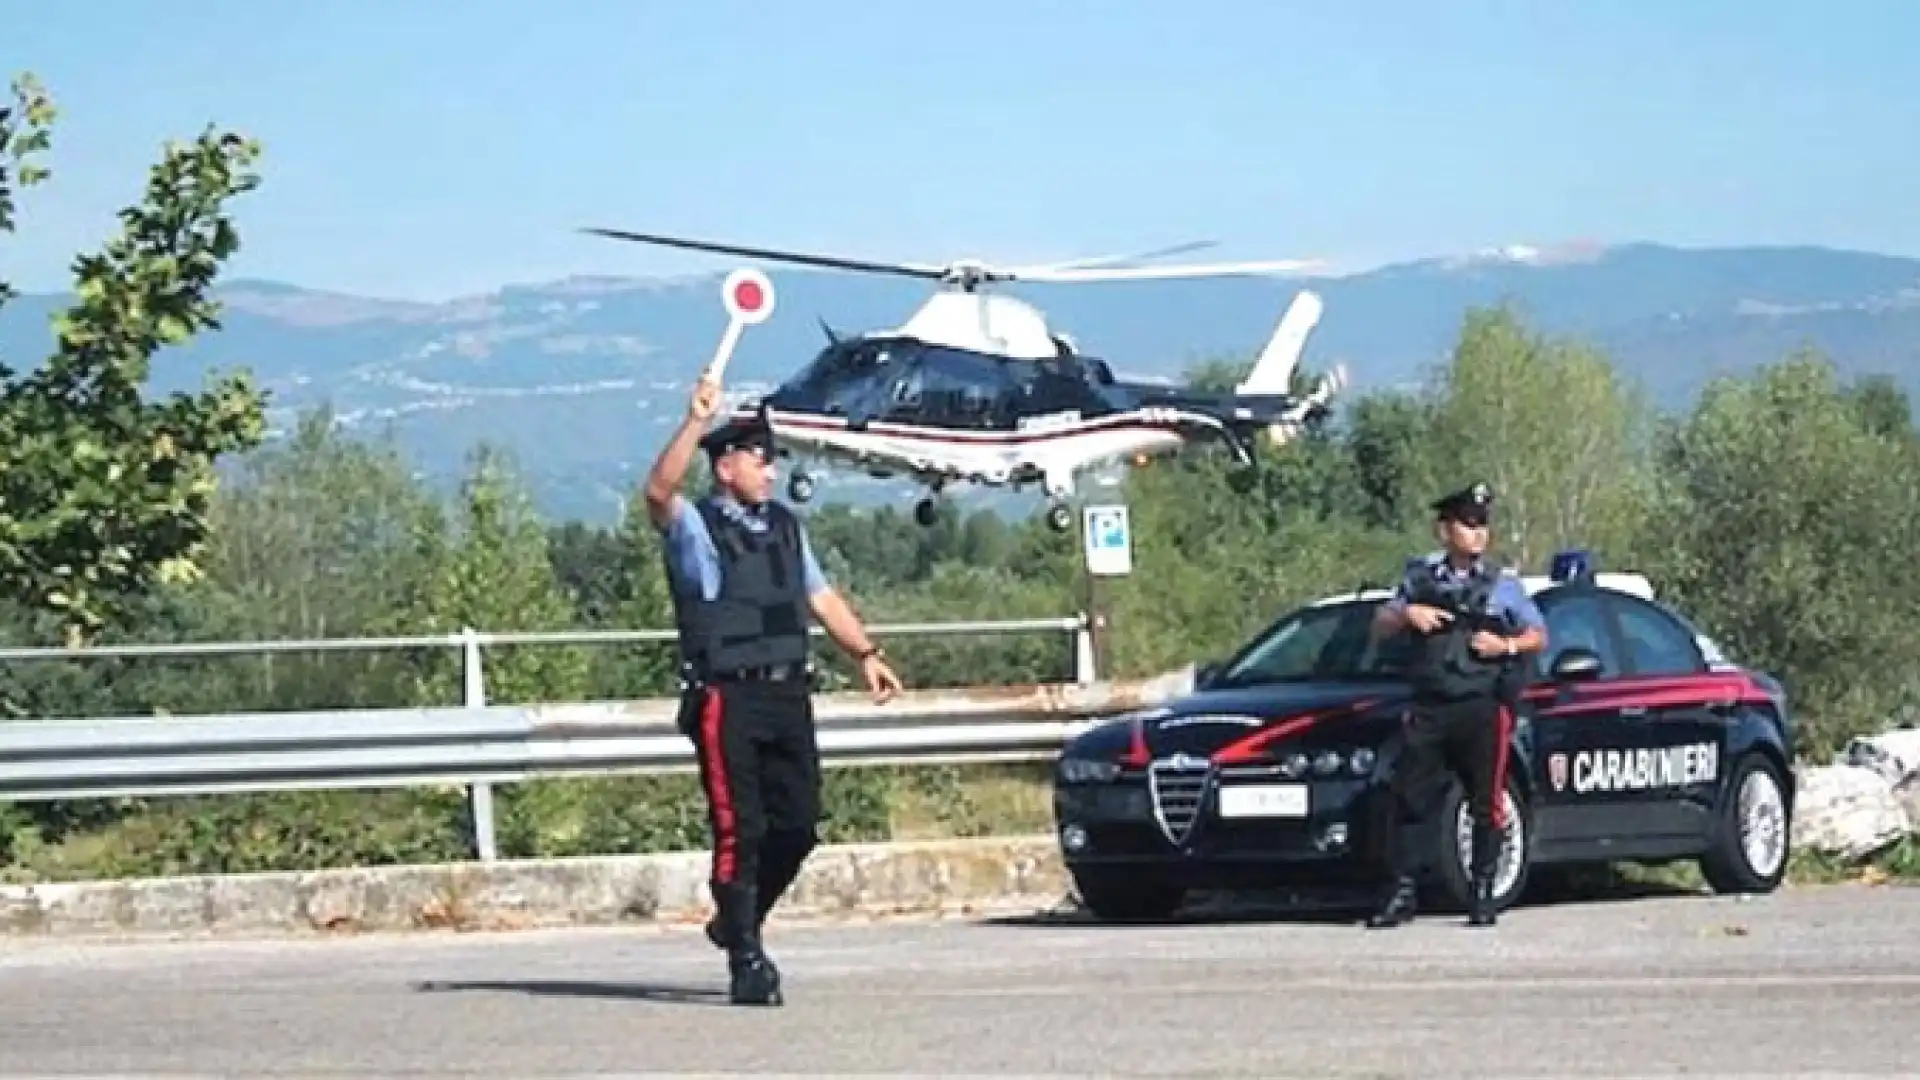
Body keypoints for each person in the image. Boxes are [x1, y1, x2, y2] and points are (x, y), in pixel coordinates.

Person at [644, 374, 904, 1006]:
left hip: (788, 695)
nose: (771, 468)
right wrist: (694, 421)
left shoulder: (787, 528)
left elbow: (820, 597)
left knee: (799, 827)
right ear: (726, 466)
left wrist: (865, 654)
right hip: (726, 699)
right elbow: (657, 492)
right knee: (742, 830)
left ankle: (736, 919)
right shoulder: (699, 531)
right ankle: (747, 959)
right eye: (759, 458)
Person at [1363, 481, 1546, 929]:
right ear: (1444, 530)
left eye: (1482, 524)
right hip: (1430, 706)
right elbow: (1379, 626)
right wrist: (1409, 615)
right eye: (1468, 524)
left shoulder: (1503, 586)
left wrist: (1503, 645)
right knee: (1405, 797)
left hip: (1481, 707)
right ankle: (1401, 894)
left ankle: (1482, 893)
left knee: (1487, 803)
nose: (1478, 533)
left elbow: (1538, 635)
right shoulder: (1419, 579)